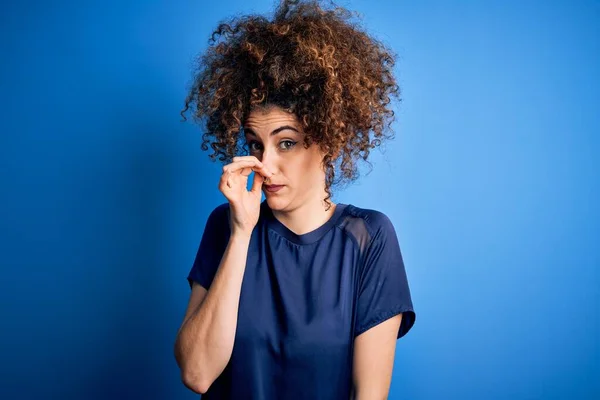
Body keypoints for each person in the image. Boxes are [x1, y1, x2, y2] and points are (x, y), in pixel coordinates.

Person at [174, 1, 416, 398]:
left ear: (328, 141)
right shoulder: (227, 224)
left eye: (286, 143)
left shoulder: (368, 238)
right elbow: (197, 373)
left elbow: (369, 394)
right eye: (255, 144)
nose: (265, 165)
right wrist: (240, 235)